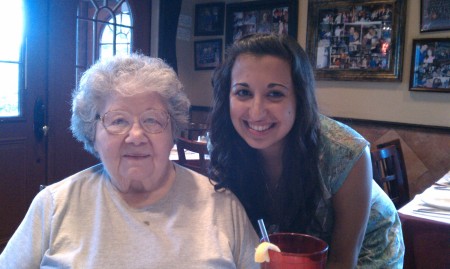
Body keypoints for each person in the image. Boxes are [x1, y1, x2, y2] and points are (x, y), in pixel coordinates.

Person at [0, 54, 259, 268]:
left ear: (173, 132)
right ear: (92, 132)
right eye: (118, 120)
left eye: (152, 120)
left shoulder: (222, 206)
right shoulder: (54, 205)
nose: (136, 136)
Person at [208, 33, 404, 268]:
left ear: (299, 99)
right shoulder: (224, 145)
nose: (256, 112)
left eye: (275, 94)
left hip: (367, 252)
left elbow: (342, 261)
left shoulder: (346, 152)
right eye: (243, 92)